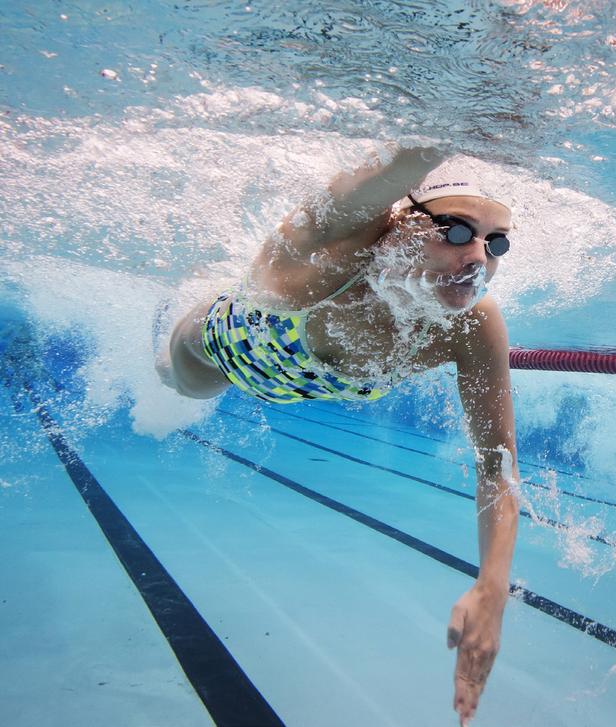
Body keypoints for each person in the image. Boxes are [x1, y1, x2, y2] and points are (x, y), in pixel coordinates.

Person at [157, 145, 518, 725]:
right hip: (225, 350)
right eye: (455, 232)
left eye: (496, 242)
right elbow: (402, 162)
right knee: (184, 388)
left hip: (306, 381)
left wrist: (493, 588)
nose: (479, 256)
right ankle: (172, 315)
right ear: (398, 224)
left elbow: (496, 464)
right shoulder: (333, 254)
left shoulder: (472, 323)